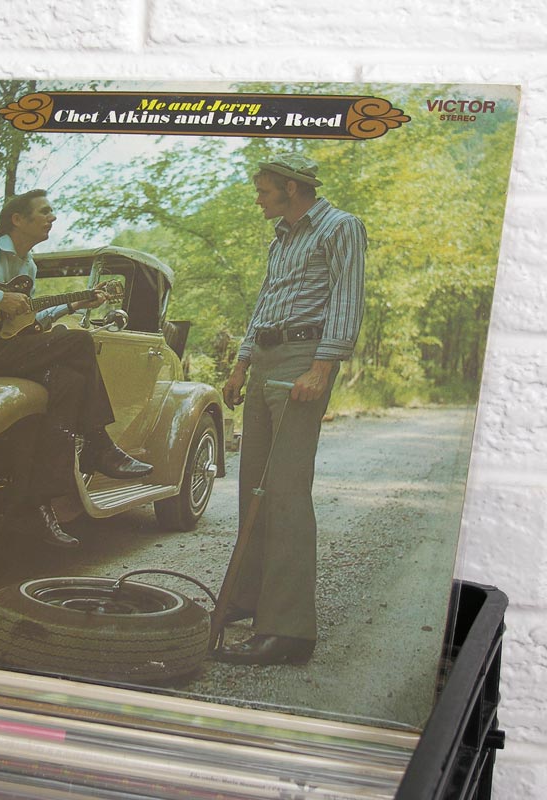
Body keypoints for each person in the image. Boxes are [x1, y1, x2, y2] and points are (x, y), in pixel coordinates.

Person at [0, 189, 153, 549]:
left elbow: (24, 321)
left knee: (70, 380)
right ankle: (98, 443)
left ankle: (39, 504)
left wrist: (73, 305)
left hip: (4, 347)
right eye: (45, 211)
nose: (53, 218)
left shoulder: (28, 267)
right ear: (18, 220)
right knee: (79, 341)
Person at [217, 154, 366, 666]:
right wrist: (241, 364)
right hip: (264, 358)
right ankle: (248, 599)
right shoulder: (281, 237)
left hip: (304, 359)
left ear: (291, 188)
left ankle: (288, 631)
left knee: (284, 492)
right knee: (253, 487)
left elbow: (347, 299)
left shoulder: (340, 226)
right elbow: (266, 301)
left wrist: (321, 368)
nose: (258, 199)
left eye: (264, 191)